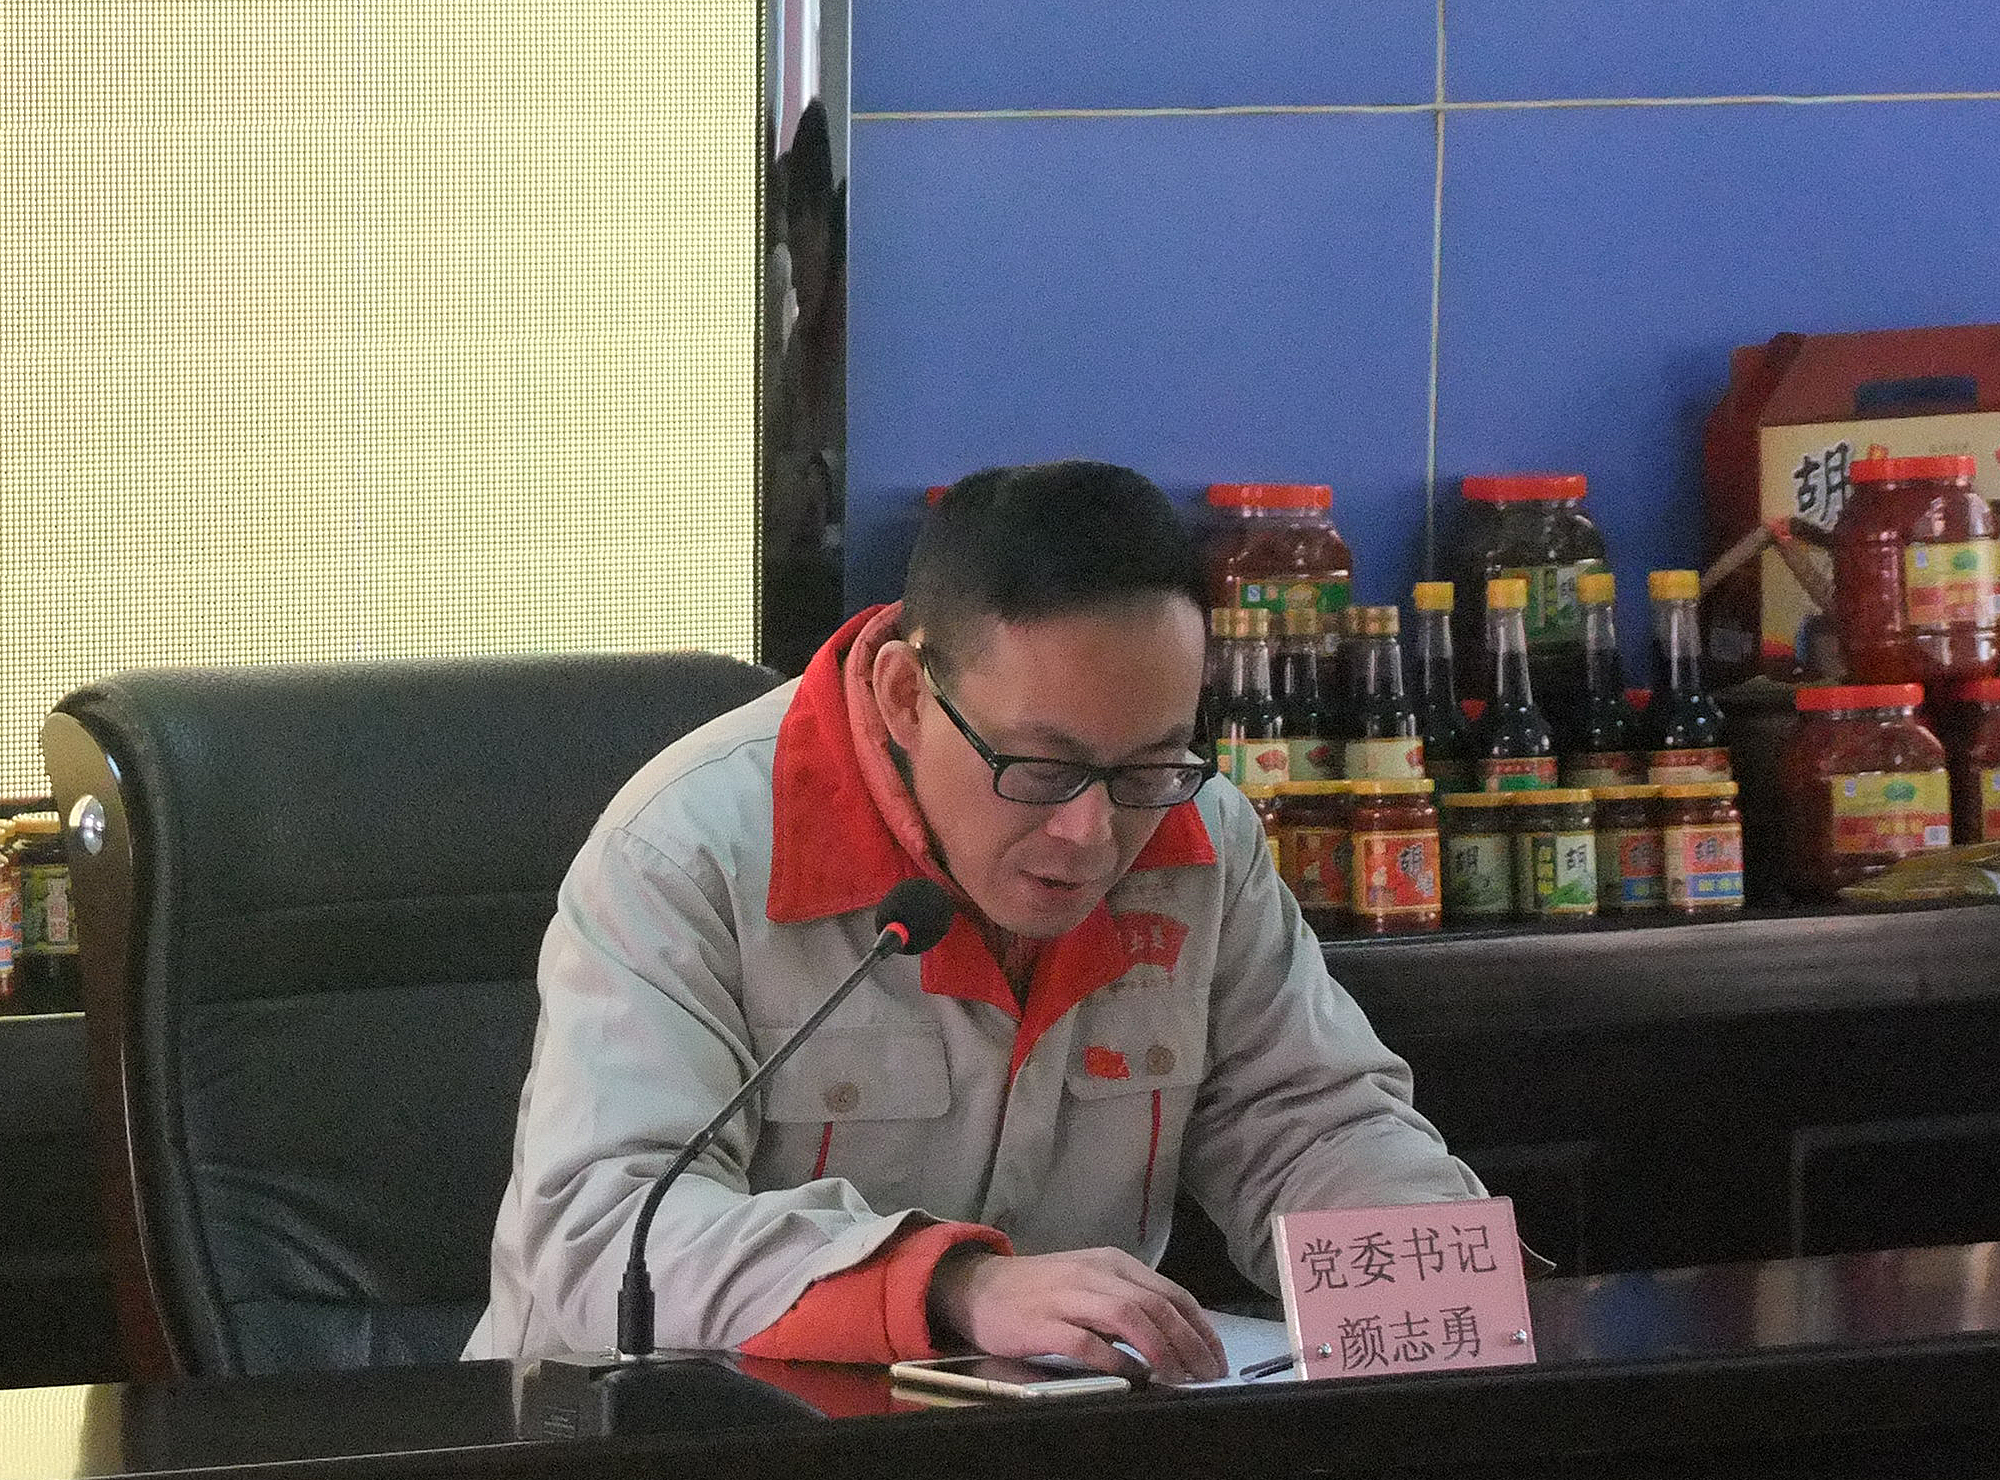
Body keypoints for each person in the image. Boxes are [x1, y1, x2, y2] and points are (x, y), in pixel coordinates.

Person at [466, 461, 1481, 1382]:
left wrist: (1453, 1294)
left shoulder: (1195, 834)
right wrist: (953, 1285)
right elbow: (604, 1233)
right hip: (649, 1456)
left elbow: (1309, 1125)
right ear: (907, 697)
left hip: (1023, 1455)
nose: (1089, 833)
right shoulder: (688, 850)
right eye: (1040, 767)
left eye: (1146, 764)